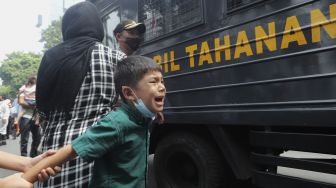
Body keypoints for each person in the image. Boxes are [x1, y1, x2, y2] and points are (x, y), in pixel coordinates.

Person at [23, 55, 166, 188]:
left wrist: (154, 112)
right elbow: (71, 150)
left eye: (162, 81)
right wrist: (24, 180)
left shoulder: (143, 117)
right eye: (153, 82)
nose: (162, 87)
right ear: (128, 93)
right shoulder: (116, 123)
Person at [35, 2, 126, 187]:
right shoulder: (116, 58)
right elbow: (128, 103)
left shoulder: (51, 57)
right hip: (99, 143)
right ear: (97, 25)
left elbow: (42, 108)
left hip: (54, 152)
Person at [18, 76, 41, 157]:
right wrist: (33, 106)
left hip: (36, 118)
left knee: (37, 138)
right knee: (24, 139)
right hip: (25, 117)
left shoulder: (38, 89)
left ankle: (33, 155)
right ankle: (23, 156)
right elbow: (21, 102)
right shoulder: (24, 89)